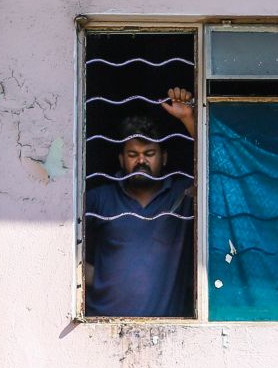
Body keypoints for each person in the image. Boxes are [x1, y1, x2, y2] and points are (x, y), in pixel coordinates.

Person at [84, 87, 196, 317]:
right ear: (121, 159)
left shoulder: (183, 194)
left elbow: (218, 170)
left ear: (164, 157)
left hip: (167, 330)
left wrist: (189, 118)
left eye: (149, 153)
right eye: (133, 155)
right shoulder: (99, 199)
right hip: (99, 328)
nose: (141, 160)